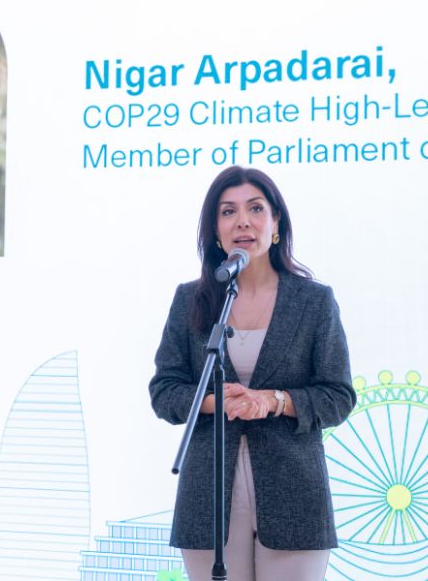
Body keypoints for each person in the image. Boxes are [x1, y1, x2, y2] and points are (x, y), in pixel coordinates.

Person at [149, 166, 356, 581]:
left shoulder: (314, 301)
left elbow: (338, 395)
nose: (242, 221)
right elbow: (165, 391)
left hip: (294, 494)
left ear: (276, 223)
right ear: (215, 230)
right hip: (208, 495)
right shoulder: (191, 299)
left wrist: (273, 401)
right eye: (228, 211)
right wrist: (215, 402)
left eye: (256, 208)